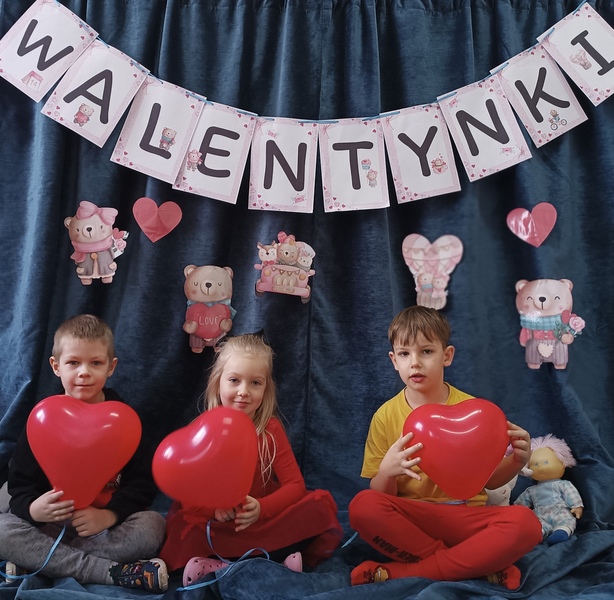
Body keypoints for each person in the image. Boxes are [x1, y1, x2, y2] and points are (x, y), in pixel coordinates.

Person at [348, 306, 542, 589]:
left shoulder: (475, 411)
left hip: (467, 519)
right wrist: (387, 472)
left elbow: (488, 481)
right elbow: (381, 496)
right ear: (394, 360)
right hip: (414, 523)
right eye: (404, 354)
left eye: (426, 351)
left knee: (526, 524)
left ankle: (405, 572)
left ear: (446, 356)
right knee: (362, 507)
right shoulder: (385, 416)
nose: (415, 363)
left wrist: (516, 462)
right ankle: (473, 565)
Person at [0, 314, 168, 592]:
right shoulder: (42, 419)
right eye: (73, 363)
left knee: (154, 526)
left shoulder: (125, 421)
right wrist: (32, 509)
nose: (84, 372)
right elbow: (20, 484)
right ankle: (112, 573)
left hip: (103, 530)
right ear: (56, 366)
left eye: (96, 363)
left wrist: (109, 516)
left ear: (111, 367)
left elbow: (142, 484)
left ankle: (41, 561)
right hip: (50, 527)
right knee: (2, 529)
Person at [160, 333, 343, 586]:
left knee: (319, 506)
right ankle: (254, 563)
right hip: (220, 526)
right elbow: (188, 495)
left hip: (263, 522)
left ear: (266, 389)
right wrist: (215, 510)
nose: (243, 392)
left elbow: (295, 486)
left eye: (255, 383)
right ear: (217, 382)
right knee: (183, 527)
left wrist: (261, 509)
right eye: (234, 380)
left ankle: (242, 564)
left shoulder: (271, 430)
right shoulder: (203, 430)